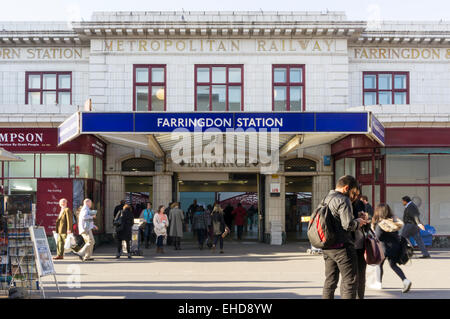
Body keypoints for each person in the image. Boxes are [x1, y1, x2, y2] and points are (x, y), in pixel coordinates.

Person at [321, 175, 369, 299]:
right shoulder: (343, 199)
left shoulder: (327, 198)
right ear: (346, 188)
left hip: (328, 246)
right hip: (342, 247)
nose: (354, 197)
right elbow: (348, 225)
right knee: (350, 282)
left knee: (330, 282)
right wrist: (359, 221)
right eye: (353, 193)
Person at [372, 204, 412, 293]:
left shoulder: (381, 224)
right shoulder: (393, 222)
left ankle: (378, 283)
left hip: (384, 248)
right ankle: (405, 280)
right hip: (395, 247)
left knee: (379, 264)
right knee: (393, 265)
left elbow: (378, 237)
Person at [350, 187, 369, 299]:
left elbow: (365, 223)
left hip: (355, 242)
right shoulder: (357, 203)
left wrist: (364, 219)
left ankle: (358, 296)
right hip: (358, 241)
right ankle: (359, 296)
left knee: (354, 275)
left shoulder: (348, 202)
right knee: (359, 274)